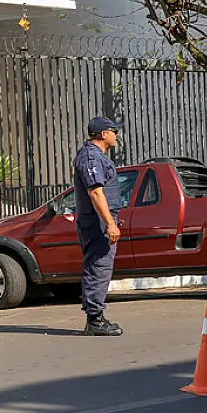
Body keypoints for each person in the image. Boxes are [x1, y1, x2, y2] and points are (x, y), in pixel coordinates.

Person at [73, 117, 124, 336]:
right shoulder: (90, 157)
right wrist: (110, 224)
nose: (116, 136)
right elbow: (95, 192)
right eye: (114, 131)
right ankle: (95, 319)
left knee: (100, 266)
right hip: (97, 222)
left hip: (98, 220)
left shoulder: (96, 157)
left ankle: (96, 316)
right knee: (98, 267)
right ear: (103, 134)